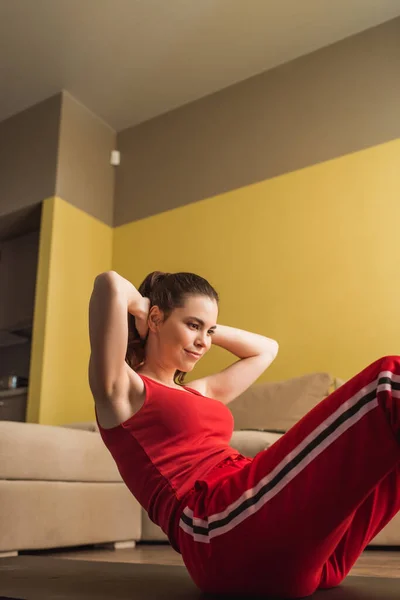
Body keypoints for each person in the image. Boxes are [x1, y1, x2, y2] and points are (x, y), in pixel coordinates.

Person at [88, 270, 400, 599]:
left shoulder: (200, 391)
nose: (204, 342)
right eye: (193, 325)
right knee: (388, 384)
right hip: (218, 531)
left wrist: (203, 326)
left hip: (286, 545)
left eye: (209, 331)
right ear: (153, 318)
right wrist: (142, 306)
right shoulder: (125, 391)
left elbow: (267, 349)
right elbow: (108, 283)